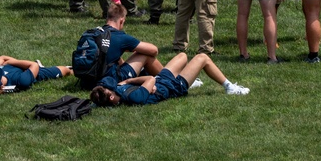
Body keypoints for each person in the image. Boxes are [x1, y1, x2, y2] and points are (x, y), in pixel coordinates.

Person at [90, 52, 250, 106]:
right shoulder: (134, 97)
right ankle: (230, 87)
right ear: (111, 96)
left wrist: (146, 83)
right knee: (202, 58)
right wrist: (130, 81)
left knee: (182, 56)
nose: (112, 86)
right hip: (173, 86)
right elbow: (150, 78)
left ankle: (190, 79)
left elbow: (150, 81)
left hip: (161, 80)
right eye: (109, 89)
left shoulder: (117, 92)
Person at [77, 4, 163, 89]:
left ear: (107, 18)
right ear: (121, 21)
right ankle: (169, 79)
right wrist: (129, 48)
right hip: (109, 80)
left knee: (114, 58)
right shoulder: (119, 37)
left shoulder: (93, 33)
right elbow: (154, 50)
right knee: (145, 55)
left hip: (87, 82)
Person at [0, 55, 73, 95]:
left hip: (22, 66)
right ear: (1, 85)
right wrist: (10, 63)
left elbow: (2, 57)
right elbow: (33, 65)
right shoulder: (21, 81)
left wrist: (10, 61)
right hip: (34, 71)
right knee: (65, 70)